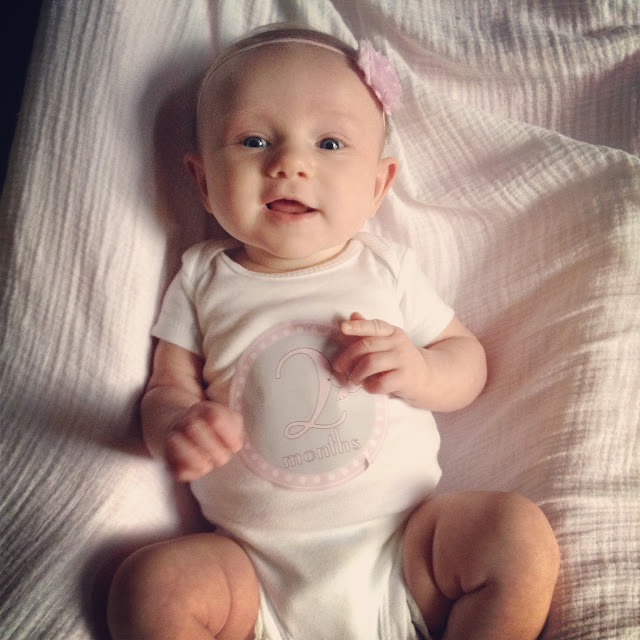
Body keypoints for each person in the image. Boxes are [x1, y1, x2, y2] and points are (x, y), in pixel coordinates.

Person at [107, 26, 559, 640]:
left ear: (377, 185)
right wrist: (178, 426)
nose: (289, 164)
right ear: (204, 181)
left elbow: (468, 361)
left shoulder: (386, 269)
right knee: (151, 585)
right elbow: (166, 389)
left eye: (329, 142)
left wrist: (420, 369)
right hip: (253, 569)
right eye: (254, 140)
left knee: (517, 534)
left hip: (407, 550)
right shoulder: (202, 278)